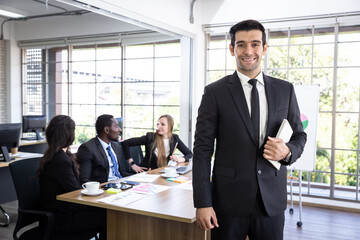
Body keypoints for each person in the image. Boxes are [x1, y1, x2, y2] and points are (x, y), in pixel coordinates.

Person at [192, 19, 307, 240]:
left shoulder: (286, 90)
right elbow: (203, 150)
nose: (248, 51)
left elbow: (299, 135)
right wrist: (203, 203)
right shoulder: (214, 93)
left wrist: (288, 152)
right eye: (241, 44)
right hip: (227, 202)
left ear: (264, 48)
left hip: (271, 202)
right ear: (231, 48)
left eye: (255, 44)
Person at [36, 115, 106, 239]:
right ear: (68, 134)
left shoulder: (56, 155)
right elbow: (75, 193)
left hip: (61, 211)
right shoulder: (60, 160)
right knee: (106, 215)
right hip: (59, 219)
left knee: (103, 211)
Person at [121, 114, 193, 171]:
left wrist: (180, 159)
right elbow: (125, 143)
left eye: (163, 124)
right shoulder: (150, 137)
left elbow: (190, 154)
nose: (159, 126)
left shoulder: (174, 138)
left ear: (170, 126)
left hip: (162, 173)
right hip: (147, 172)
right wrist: (132, 164)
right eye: (158, 124)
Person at [77, 114, 131, 184]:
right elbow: (84, 179)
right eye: (116, 126)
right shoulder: (87, 148)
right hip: (104, 188)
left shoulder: (115, 146)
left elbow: (120, 172)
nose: (120, 130)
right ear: (106, 130)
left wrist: (137, 177)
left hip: (120, 184)